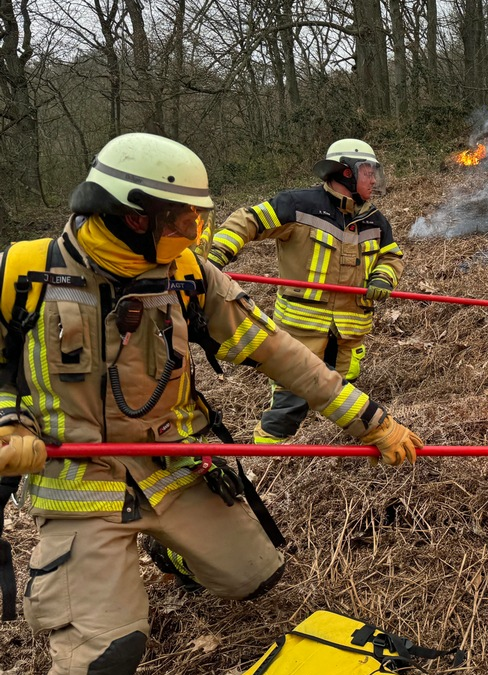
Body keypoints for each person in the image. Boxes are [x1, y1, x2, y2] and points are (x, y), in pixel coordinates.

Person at [0, 132, 421, 675]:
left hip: (172, 466)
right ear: (134, 216)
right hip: (82, 478)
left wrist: (370, 421)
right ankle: (99, 586)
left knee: (256, 577)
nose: (194, 235)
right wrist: (8, 422)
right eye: (183, 222)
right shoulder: (23, 272)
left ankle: (168, 548)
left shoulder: (189, 275)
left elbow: (280, 353)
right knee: (107, 655)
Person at [206, 139, 405, 444]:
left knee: (345, 401)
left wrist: (382, 278)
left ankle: (335, 460)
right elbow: (248, 221)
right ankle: (269, 463)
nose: (374, 179)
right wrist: (214, 257)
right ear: (347, 173)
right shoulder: (298, 205)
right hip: (302, 334)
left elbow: (391, 256)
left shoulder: (375, 221)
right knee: (288, 408)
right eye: (369, 171)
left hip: (349, 336)